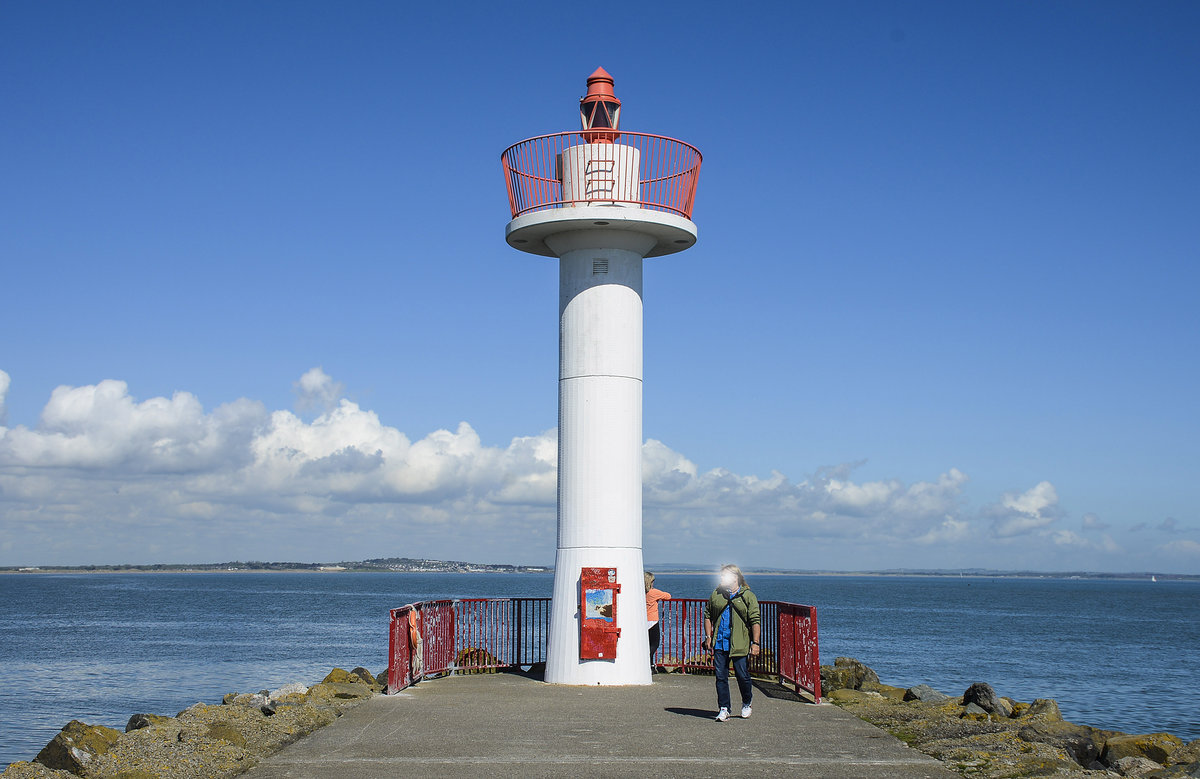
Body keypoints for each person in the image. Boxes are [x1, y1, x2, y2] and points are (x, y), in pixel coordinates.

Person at [702, 564, 760, 721]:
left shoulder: (748, 596)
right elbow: (707, 614)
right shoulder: (716, 594)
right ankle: (724, 708)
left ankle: (747, 703)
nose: (721, 578)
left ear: (735, 577)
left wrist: (755, 643)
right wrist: (708, 637)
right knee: (721, 677)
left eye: (724, 575)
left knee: (742, 675)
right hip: (720, 642)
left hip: (739, 643)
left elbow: (755, 619)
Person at [644, 571, 671, 673]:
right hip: (653, 620)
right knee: (654, 644)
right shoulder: (653, 592)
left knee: (647, 644)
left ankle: (650, 666)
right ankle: (647, 661)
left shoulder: (640, 592)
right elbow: (668, 596)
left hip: (643, 621)